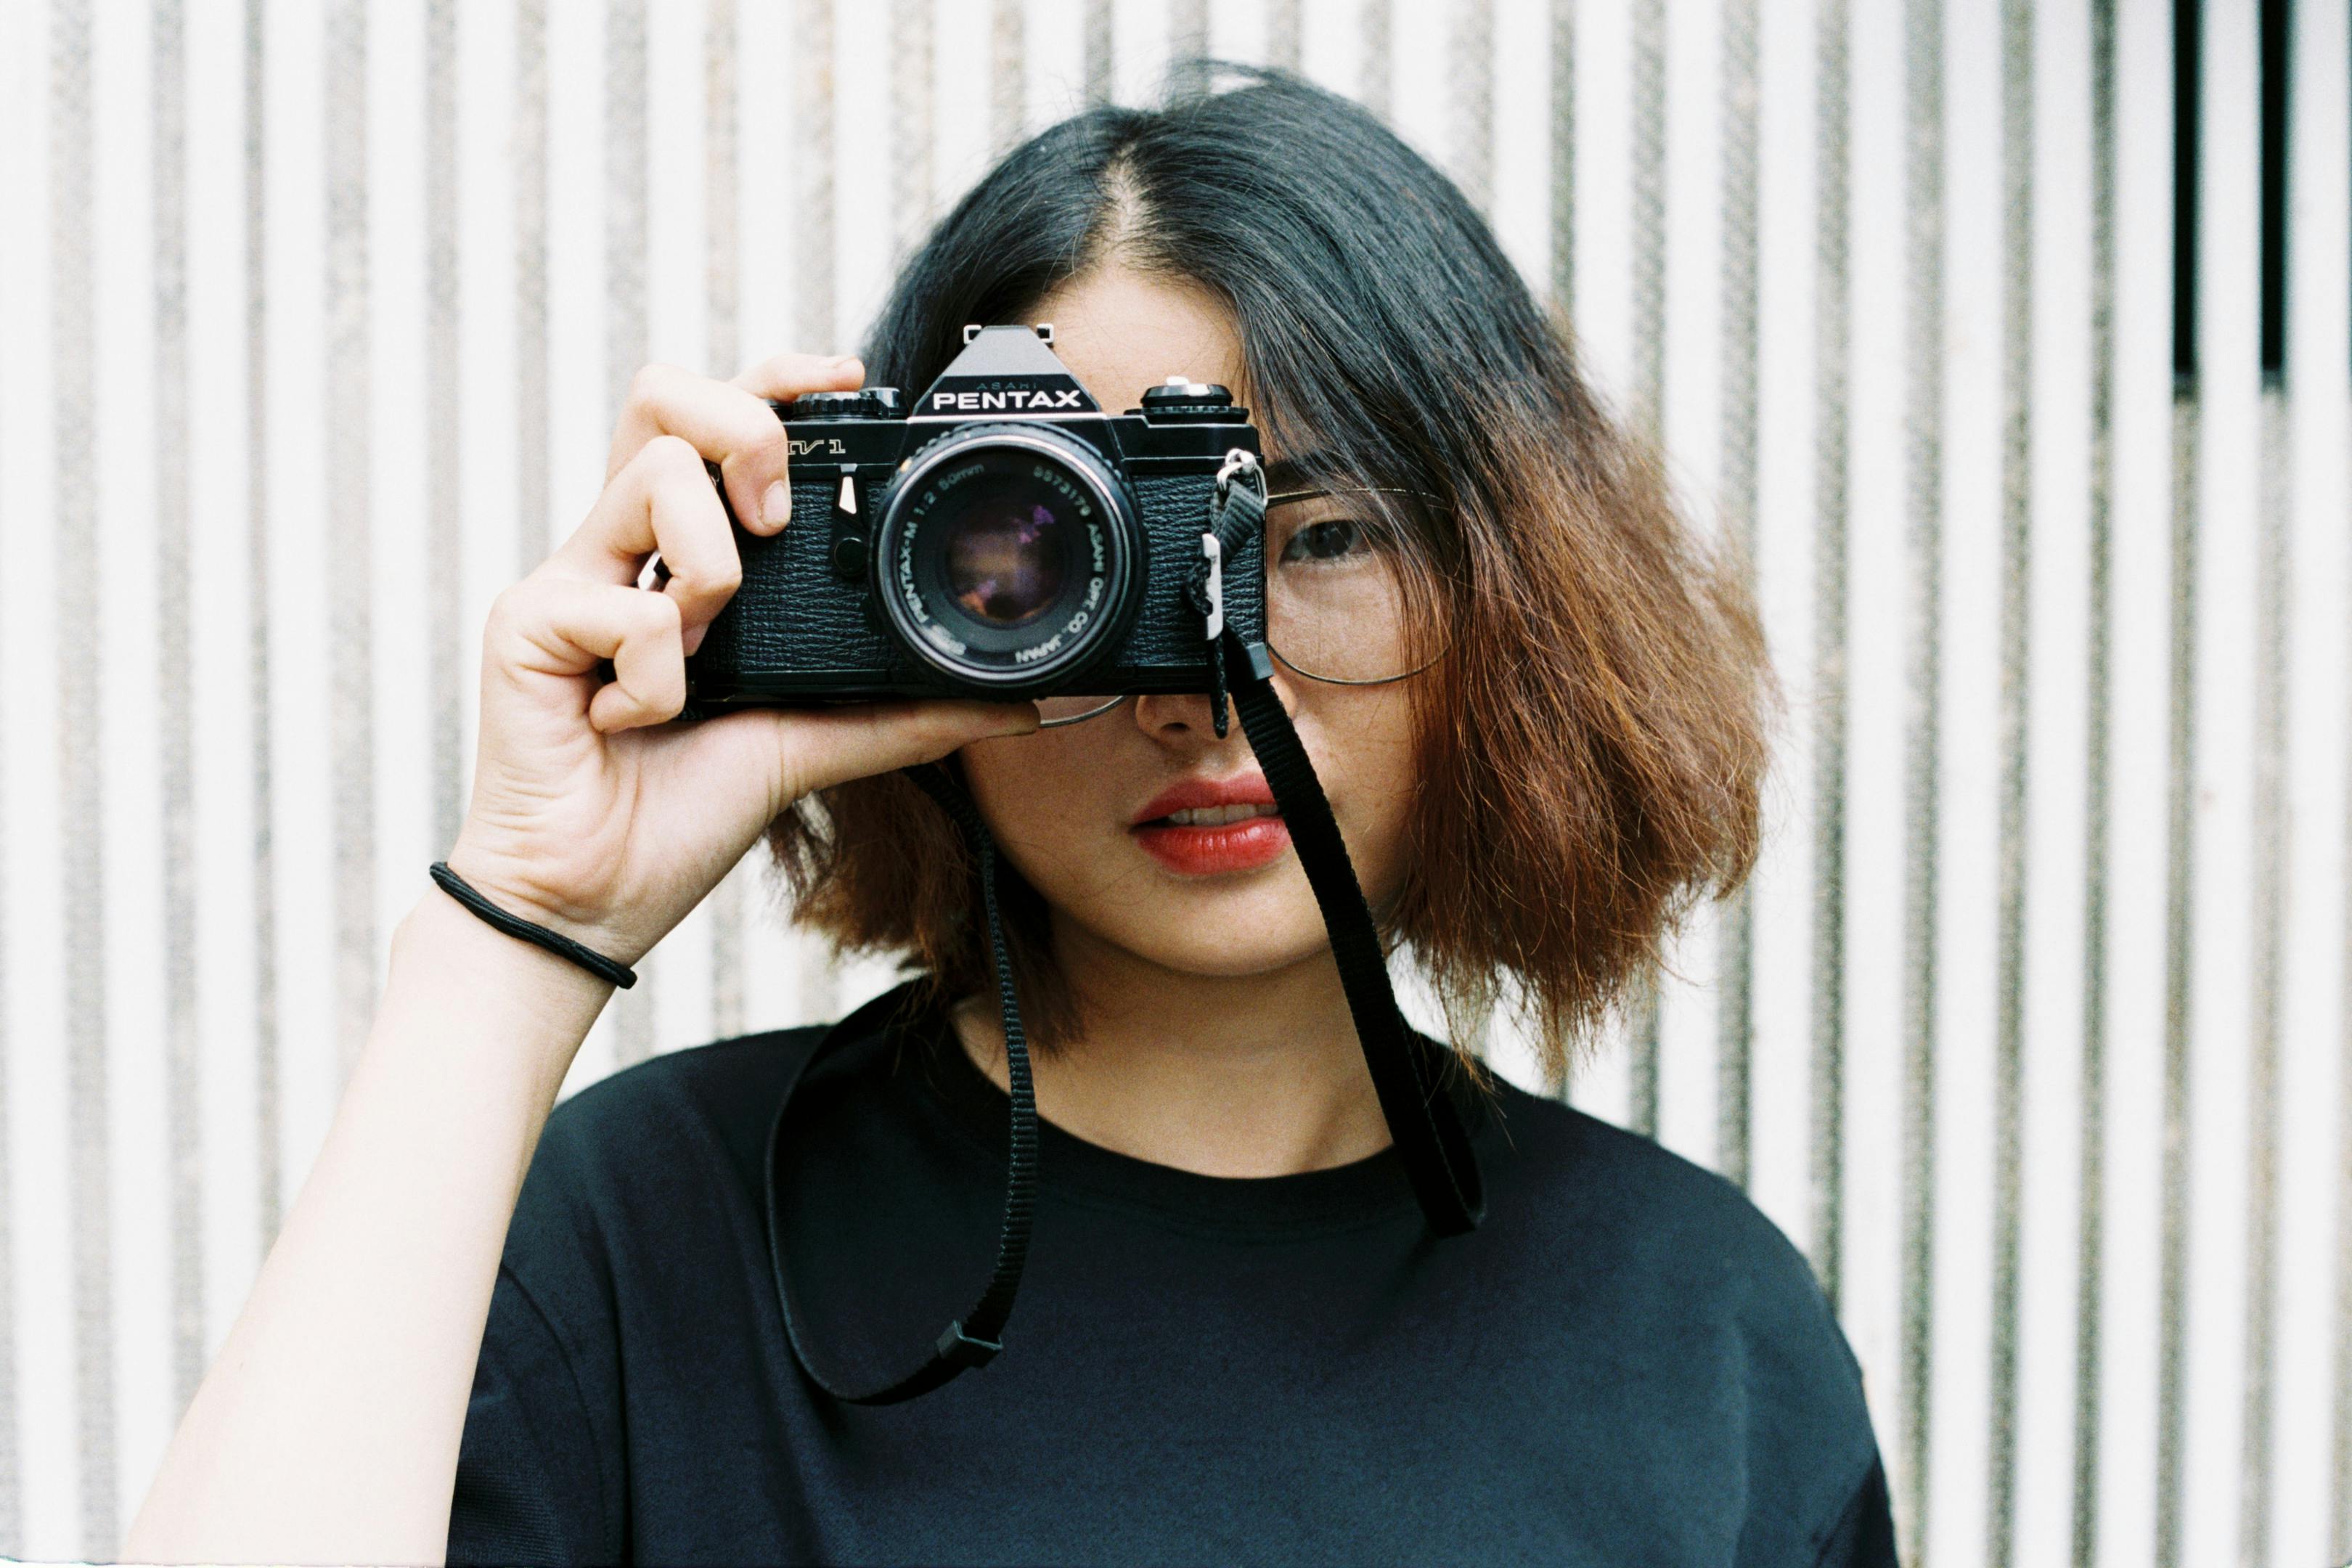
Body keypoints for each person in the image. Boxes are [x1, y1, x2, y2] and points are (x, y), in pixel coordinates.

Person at [126, 63, 1896, 1567]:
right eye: (1058, 555)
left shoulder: (1707, 1336)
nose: (1202, 686)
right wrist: (518, 934)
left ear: (1515, 592)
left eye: (1321, 535)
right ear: (894, 575)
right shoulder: (639, 1236)